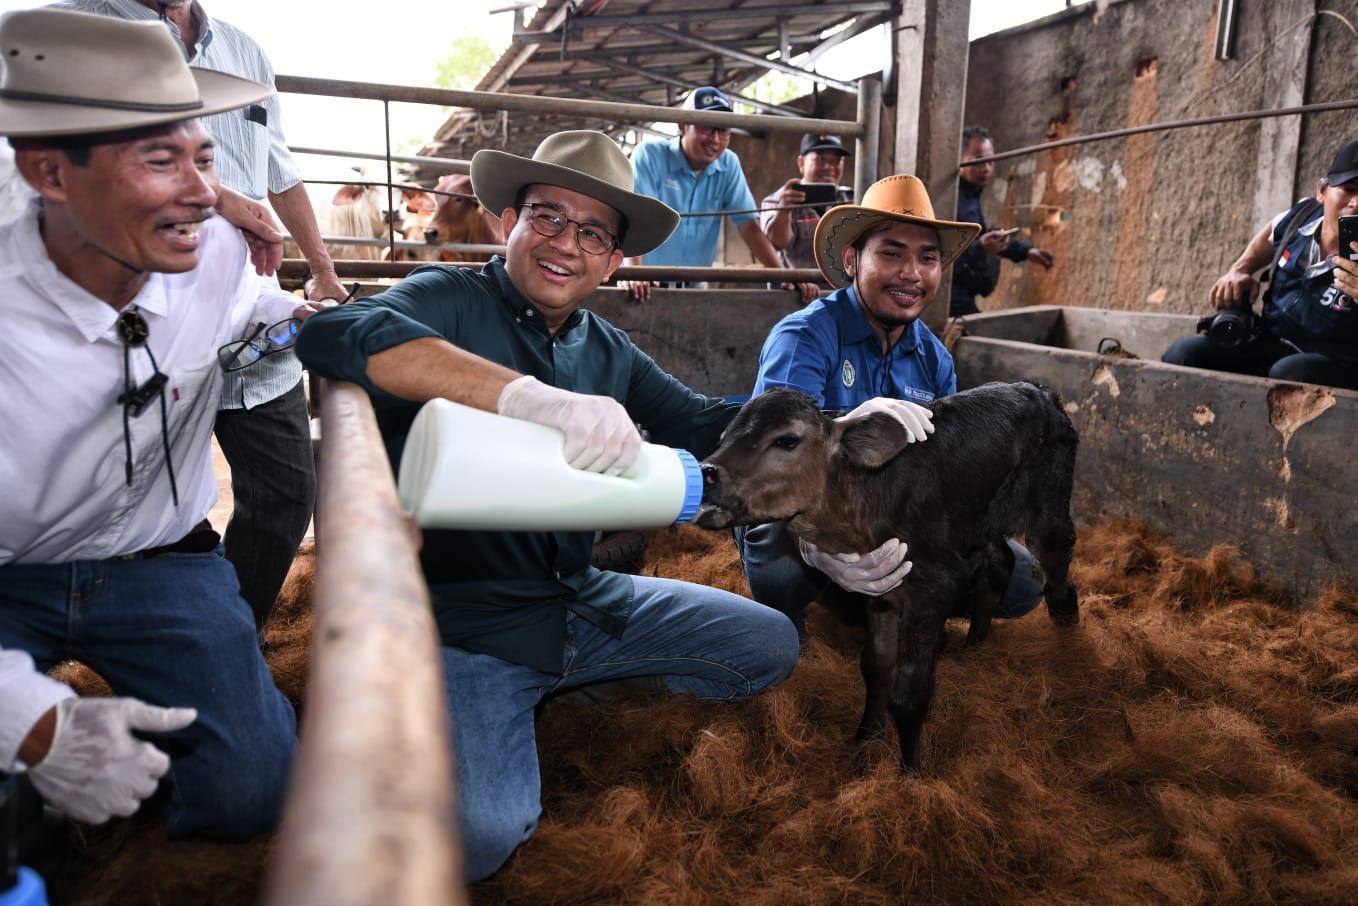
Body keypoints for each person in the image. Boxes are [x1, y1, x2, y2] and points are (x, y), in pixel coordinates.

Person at [295, 129, 926, 881]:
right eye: (548, 217)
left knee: (767, 648)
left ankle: (569, 682)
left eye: (593, 232)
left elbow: (706, 421)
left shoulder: (606, 347)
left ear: (616, 260)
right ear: (507, 224)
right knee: (479, 836)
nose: (566, 243)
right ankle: (483, 702)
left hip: (584, 597)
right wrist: (527, 398)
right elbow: (336, 330)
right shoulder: (449, 300)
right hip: (469, 623)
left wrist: (833, 429)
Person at [0, 9, 318, 836]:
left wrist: (330, 323)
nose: (203, 191)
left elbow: (252, 308)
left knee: (254, 794)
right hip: (7, 574)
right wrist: (29, 721)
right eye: (159, 158)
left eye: (204, 156)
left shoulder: (207, 243)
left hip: (159, 561)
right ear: (48, 172)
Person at [56, 0, 350, 628]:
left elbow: (279, 168)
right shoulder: (66, 29)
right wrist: (216, 197)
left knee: (285, 498)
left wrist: (322, 269)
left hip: (245, 313)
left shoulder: (243, 53)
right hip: (129, 331)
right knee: (128, 517)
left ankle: (229, 637)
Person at [736, 174, 1048, 640]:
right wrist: (824, 542)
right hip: (801, 508)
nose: (911, 274)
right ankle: (814, 599)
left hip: (887, 513)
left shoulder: (933, 359)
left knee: (1020, 580)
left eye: (928, 258)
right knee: (783, 567)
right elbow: (774, 461)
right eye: (891, 252)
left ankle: (865, 595)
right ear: (852, 259)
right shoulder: (806, 336)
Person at [1161, 138, 1358, 390]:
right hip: (1269, 341)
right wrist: (1239, 269)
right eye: (1349, 188)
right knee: (1183, 356)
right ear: (1322, 191)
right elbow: (1270, 235)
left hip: (1331, 363)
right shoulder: (1302, 215)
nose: (1356, 203)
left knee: (1289, 374)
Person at [622, 86, 816, 303]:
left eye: (723, 131)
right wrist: (633, 274)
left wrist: (783, 276)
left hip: (694, 286)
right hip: (645, 285)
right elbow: (637, 217)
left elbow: (749, 226)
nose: (715, 139)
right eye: (707, 128)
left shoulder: (728, 164)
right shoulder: (650, 156)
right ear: (682, 126)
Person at [951, 125, 1054, 317]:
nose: (986, 168)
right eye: (979, 160)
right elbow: (941, 256)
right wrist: (980, 248)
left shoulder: (971, 196)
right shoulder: (950, 200)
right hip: (948, 300)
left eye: (991, 161)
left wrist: (1026, 251)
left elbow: (983, 239)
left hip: (963, 295)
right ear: (959, 159)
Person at [760, 132, 853, 269]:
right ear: (801, 163)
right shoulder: (777, 200)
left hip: (842, 288)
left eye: (836, 160)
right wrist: (784, 211)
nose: (828, 167)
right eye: (820, 159)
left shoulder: (851, 199)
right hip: (797, 286)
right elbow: (777, 243)